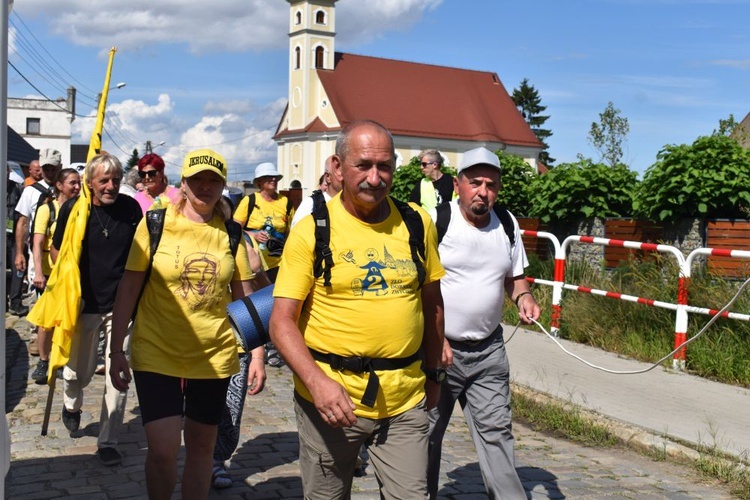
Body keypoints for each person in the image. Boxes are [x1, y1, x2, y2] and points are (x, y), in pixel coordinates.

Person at [269, 120, 446, 499]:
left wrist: (434, 375)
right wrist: (318, 384)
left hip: (404, 400)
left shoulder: (417, 222)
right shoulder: (313, 230)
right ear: (337, 167)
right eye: (363, 165)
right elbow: (281, 322)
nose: (375, 177)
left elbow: (432, 304)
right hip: (331, 402)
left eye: (384, 167)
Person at [108, 149, 263, 499]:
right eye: (197, 180)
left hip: (213, 355)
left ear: (223, 185)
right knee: (162, 452)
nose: (205, 187)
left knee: (201, 451)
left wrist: (256, 355)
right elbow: (129, 289)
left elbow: (245, 300)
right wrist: (116, 349)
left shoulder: (232, 234)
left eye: (213, 180)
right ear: (184, 183)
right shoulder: (155, 225)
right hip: (156, 350)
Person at [426, 146, 541, 499]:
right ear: (457, 184)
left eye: (491, 185)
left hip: (489, 350)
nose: (483, 191)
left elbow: (514, 277)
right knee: (425, 435)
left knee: (497, 434)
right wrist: (433, 340)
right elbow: (416, 288)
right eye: (475, 182)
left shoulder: (507, 223)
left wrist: (524, 297)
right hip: (439, 352)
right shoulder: (435, 220)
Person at [51, 153, 143, 466]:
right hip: (83, 304)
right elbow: (56, 249)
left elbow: (141, 253)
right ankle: (71, 404)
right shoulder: (74, 209)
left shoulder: (131, 209)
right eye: (104, 180)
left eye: (115, 179)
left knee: (118, 374)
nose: (111, 186)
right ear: (91, 182)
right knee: (79, 372)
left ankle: (108, 442)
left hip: (121, 305)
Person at [211, 237, 271, 489]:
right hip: (186, 347)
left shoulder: (241, 240)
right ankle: (199, 459)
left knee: (230, 414)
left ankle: (216, 461)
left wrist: (258, 355)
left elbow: (255, 300)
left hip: (235, 344)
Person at [29, 168, 81, 383]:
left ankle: (62, 358)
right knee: (46, 321)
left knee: (68, 319)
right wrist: (39, 272)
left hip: (71, 275)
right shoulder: (47, 209)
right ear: (60, 185)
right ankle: (43, 359)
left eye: (79, 183)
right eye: (72, 183)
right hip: (51, 274)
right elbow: (38, 242)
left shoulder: (81, 208)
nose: (77, 187)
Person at [14, 151, 61, 316]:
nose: (49, 172)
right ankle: (38, 334)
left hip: (61, 252)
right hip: (37, 252)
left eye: (52, 168)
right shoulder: (30, 191)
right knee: (39, 296)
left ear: (59, 167)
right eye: (46, 168)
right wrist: (19, 253)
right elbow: (22, 222)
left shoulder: (67, 189)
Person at [232, 161, 294, 283]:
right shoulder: (249, 200)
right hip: (254, 265)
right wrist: (253, 235)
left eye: (275, 177)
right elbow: (235, 229)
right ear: (259, 181)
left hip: (280, 264)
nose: (273, 179)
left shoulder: (286, 202)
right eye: (268, 177)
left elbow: (291, 233)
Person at [290, 155, 343, 228]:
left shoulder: (354, 204)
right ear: (328, 177)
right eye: (341, 173)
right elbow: (296, 233)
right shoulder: (311, 203)